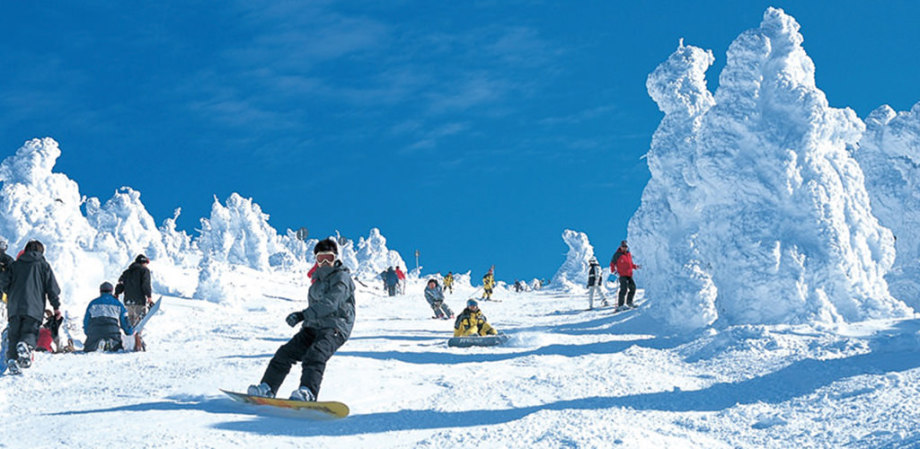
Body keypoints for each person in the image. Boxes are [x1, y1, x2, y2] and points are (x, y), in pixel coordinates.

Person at [248, 238, 355, 401]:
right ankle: (267, 388)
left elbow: (331, 303)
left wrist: (302, 315)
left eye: (329, 258)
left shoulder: (342, 278)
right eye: (321, 258)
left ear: (336, 258)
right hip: (313, 327)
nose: (325, 262)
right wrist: (306, 321)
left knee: (316, 354)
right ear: (316, 260)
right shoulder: (316, 283)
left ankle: (308, 392)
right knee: (285, 353)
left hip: (336, 327)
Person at [0, 240, 61, 375]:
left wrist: (11, 292)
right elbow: (52, 288)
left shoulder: (14, 265)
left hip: (14, 307)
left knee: (14, 333)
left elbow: (3, 282)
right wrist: (56, 307)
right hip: (33, 307)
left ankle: (12, 360)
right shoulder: (43, 266)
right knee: (29, 332)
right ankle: (25, 345)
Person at [83, 282, 134, 352]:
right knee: (117, 347)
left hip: (96, 331)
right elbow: (124, 320)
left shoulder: (93, 303)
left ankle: (98, 344)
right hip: (112, 331)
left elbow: (86, 320)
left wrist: (88, 333)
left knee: (88, 349)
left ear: (100, 291)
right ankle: (111, 344)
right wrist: (129, 332)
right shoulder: (118, 304)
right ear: (111, 291)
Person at [611, 240, 641, 309]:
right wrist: (614, 271)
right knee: (623, 289)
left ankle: (629, 302)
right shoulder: (617, 254)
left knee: (633, 288)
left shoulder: (628, 254)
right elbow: (612, 264)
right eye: (623, 246)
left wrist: (635, 266)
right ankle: (620, 305)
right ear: (620, 247)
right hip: (622, 275)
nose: (624, 248)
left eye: (625, 247)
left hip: (629, 274)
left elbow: (630, 264)